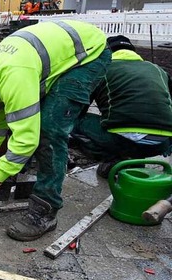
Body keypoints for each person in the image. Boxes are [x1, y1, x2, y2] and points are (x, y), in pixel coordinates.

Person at [0, 20, 111, 241]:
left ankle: (45, 211)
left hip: (89, 56)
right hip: (59, 52)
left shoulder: (14, 77)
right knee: (34, 120)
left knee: (49, 130)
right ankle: (37, 164)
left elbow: (26, 139)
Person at [70, 35, 172, 178]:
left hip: (125, 140)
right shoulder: (158, 70)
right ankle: (134, 161)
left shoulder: (102, 70)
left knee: (72, 120)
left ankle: (115, 160)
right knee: (136, 124)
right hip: (162, 143)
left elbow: (80, 107)